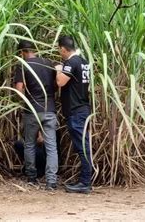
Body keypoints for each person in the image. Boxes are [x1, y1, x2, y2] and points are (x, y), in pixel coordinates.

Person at [14, 40, 58, 190]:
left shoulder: (22, 65)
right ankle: (51, 182)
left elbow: (19, 90)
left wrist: (25, 98)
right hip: (49, 109)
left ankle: (32, 177)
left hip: (31, 111)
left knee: (29, 144)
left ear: (22, 52)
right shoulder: (48, 63)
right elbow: (56, 84)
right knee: (51, 146)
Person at [55, 35, 93, 194]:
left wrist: (58, 70)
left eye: (59, 50)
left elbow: (60, 82)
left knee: (82, 147)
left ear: (64, 49)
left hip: (76, 111)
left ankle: (85, 182)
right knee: (83, 145)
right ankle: (84, 180)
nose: (60, 53)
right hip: (82, 108)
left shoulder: (71, 62)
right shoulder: (84, 62)